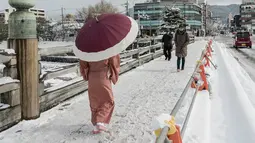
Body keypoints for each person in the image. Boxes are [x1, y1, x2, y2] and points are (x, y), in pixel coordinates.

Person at [79, 54, 120, 134]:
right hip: (103, 76)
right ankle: (100, 122)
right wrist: (113, 74)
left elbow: (83, 64)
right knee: (108, 100)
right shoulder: (107, 49)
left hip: (92, 77)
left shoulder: (87, 49)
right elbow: (114, 62)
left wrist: (85, 75)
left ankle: (96, 125)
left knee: (95, 101)